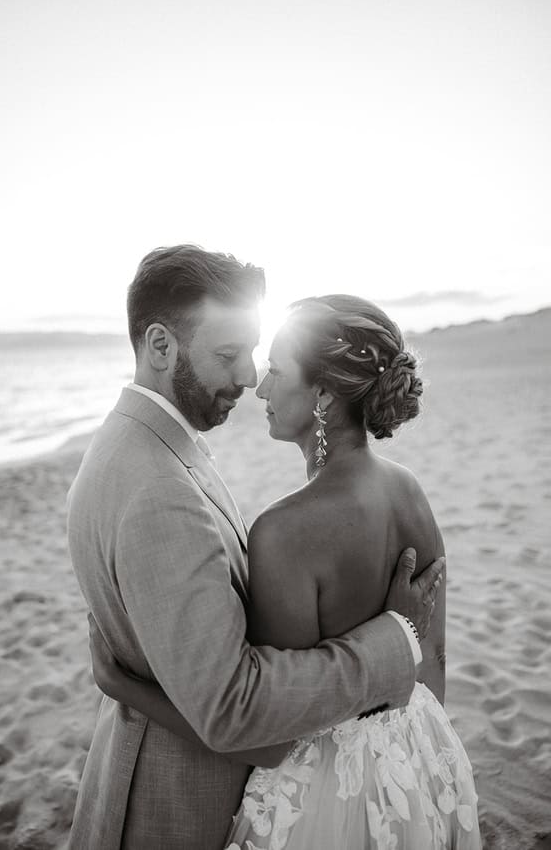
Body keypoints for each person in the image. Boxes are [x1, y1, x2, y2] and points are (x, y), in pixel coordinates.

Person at [68, 246, 445, 850]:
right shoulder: (155, 489)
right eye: (228, 354)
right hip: (174, 811)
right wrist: (398, 638)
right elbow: (241, 714)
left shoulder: (149, 449)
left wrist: (125, 685)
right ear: (161, 346)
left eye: (258, 354)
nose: (248, 377)